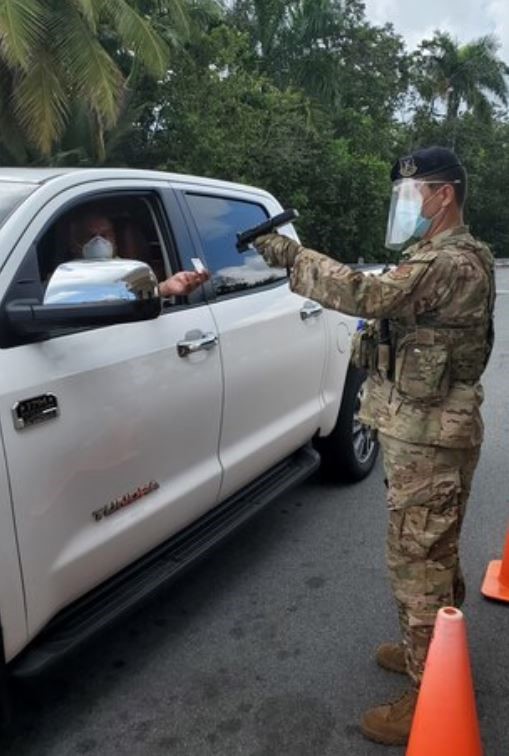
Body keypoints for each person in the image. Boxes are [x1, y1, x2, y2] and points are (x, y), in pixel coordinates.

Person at [254, 147, 495, 746]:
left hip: (431, 434)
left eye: (414, 196)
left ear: (443, 195)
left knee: (418, 562)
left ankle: (427, 695)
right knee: (433, 550)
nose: (407, 206)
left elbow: (370, 295)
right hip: (424, 428)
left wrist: (292, 254)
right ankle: (439, 648)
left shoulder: (450, 261)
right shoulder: (441, 255)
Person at [71, 211, 209, 297]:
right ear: (76, 244)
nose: (99, 241)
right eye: (90, 236)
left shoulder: (128, 271)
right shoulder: (65, 276)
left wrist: (164, 288)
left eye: (105, 235)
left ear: (114, 240)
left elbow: (134, 296)